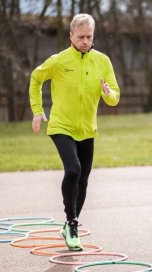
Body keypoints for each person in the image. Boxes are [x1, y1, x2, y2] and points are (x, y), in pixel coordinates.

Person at [28, 13, 120, 251]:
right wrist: (37, 111)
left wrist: (108, 93)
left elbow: (114, 99)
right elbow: (36, 78)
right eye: (81, 36)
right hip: (61, 126)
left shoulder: (103, 61)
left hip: (87, 130)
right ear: (71, 36)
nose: (85, 41)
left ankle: (71, 223)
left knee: (84, 180)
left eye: (89, 36)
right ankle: (71, 222)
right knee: (74, 170)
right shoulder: (59, 61)